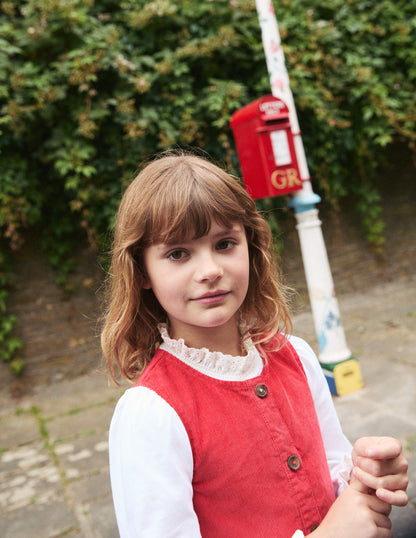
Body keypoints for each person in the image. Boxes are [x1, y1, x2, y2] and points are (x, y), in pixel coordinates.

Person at [102, 151, 408, 537]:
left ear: (250, 244)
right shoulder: (150, 414)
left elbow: (331, 465)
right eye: (178, 253)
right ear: (142, 270)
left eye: (225, 244)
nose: (210, 270)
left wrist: (367, 477)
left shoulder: (296, 355)